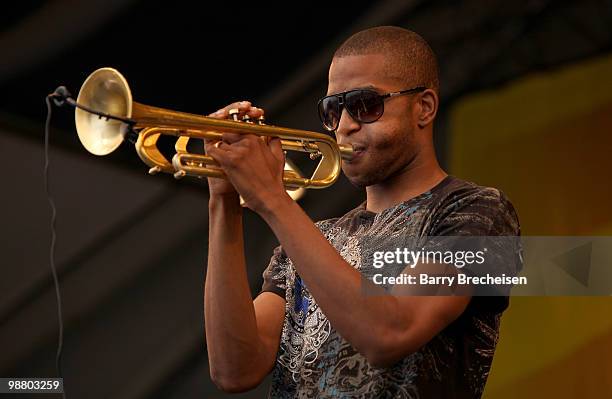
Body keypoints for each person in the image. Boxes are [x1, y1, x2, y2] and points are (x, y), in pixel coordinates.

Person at [203, 26, 521, 398]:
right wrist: (223, 202)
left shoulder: (477, 211)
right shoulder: (308, 240)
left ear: (424, 107)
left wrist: (273, 200)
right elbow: (235, 369)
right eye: (332, 110)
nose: (345, 125)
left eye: (366, 105)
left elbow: (390, 333)